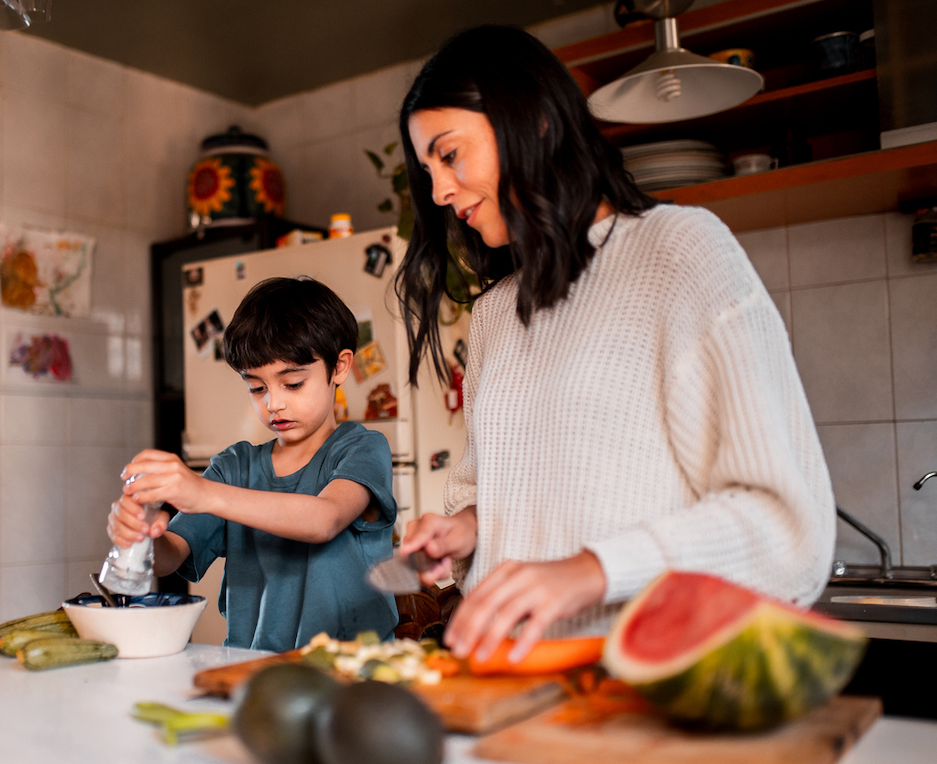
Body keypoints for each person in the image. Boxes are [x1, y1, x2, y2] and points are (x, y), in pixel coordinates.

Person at [394, 26, 835, 665]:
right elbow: (505, 494)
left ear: (537, 122)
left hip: (646, 690)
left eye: (450, 155)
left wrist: (592, 569)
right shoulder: (493, 314)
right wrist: (464, 531)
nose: (438, 193)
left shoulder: (679, 250)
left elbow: (785, 525)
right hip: (509, 686)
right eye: (426, 170)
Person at [107, 277, 399, 652]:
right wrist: (144, 534)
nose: (273, 403)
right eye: (257, 388)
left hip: (352, 677)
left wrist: (203, 493)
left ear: (340, 367)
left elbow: (324, 519)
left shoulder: (360, 448)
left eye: (292, 383)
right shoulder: (234, 468)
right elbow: (171, 556)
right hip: (253, 670)